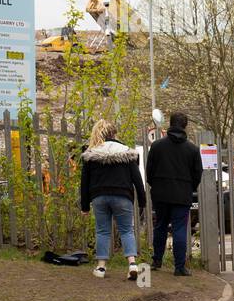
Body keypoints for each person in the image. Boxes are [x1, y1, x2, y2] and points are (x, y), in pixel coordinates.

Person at [79, 119, 146, 281]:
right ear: (115, 134)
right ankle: (132, 265)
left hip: (99, 197)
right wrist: (142, 201)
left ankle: (101, 266)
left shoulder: (91, 154)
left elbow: (85, 181)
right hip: (123, 196)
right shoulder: (127, 152)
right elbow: (137, 179)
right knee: (126, 230)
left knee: (102, 231)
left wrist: (85, 205)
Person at [145, 112, 202, 276]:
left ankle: (157, 260)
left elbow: (149, 172)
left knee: (160, 226)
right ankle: (179, 267)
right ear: (185, 126)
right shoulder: (192, 149)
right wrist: (189, 188)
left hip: (160, 194)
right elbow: (197, 174)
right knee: (179, 229)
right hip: (182, 194)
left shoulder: (157, 146)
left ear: (170, 124)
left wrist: (156, 185)